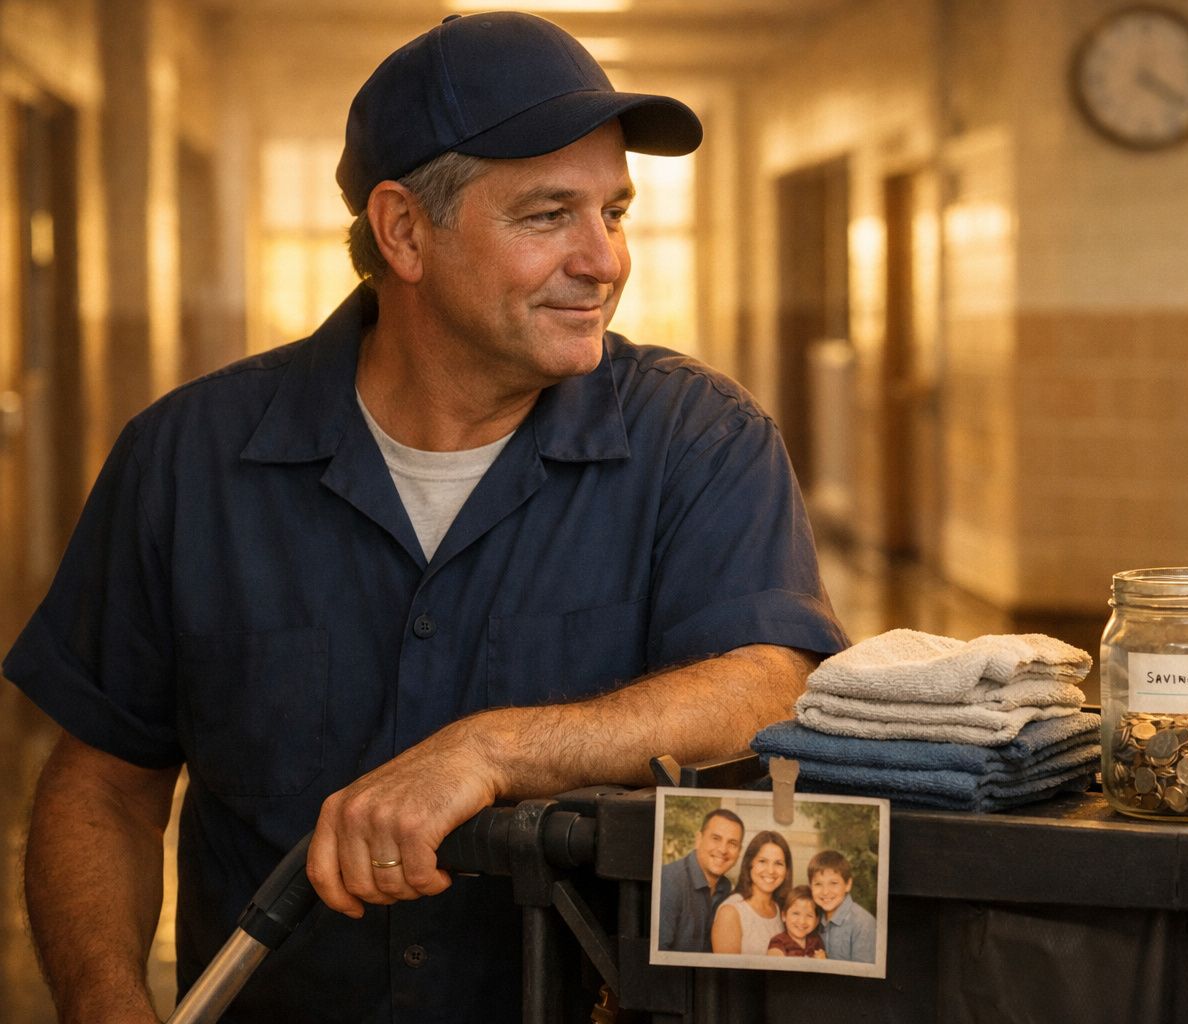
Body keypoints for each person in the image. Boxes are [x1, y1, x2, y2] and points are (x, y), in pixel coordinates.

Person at [4, 11, 847, 1022]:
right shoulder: (187, 463)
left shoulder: (699, 441)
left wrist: (491, 750)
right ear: (404, 230)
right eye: (547, 216)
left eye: (613, 211)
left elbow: (765, 681)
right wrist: (105, 1003)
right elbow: (102, 786)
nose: (605, 260)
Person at [657, 807, 744, 952]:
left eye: (732, 843)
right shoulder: (669, 881)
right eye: (716, 838)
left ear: (739, 851)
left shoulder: (726, 888)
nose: (723, 850)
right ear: (699, 839)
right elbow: (658, 955)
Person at [709, 830, 791, 956]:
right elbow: (727, 974)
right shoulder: (730, 912)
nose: (770, 870)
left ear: (786, 870)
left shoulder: (782, 909)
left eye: (778, 863)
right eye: (762, 861)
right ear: (749, 864)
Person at [808, 850, 876, 963]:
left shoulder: (863, 924)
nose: (825, 892)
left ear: (848, 885)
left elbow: (862, 975)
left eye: (833, 883)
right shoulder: (814, 917)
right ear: (811, 887)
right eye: (818, 884)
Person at [766, 886, 826, 959]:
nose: (802, 921)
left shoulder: (816, 941)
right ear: (784, 916)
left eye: (809, 915)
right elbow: (774, 964)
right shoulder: (778, 941)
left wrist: (822, 960)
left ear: (816, 921)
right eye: (796, 913)